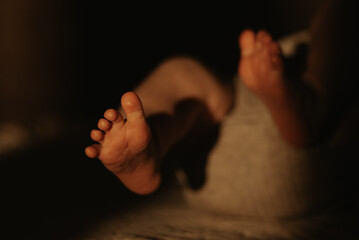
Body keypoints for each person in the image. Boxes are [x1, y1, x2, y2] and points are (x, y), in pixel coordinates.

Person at [85, 0, 359, 196]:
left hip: (209, 180)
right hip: (223, 146)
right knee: (185, 76)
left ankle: (154, 137)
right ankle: (148, 142)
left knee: (184, 75)